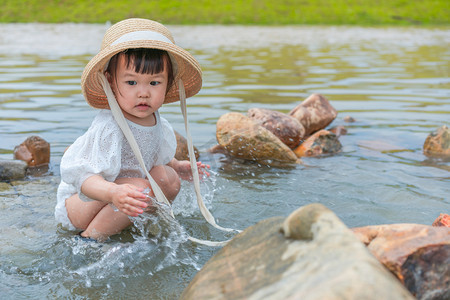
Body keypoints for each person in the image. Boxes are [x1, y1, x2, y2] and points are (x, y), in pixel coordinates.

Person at [55, 18, 208, 241]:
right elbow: (85, 180)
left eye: (154, 83)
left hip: (126, 196)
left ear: (169, 83)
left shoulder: (159, 124)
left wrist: (177, 165)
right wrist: (112, 192)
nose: (143, 93)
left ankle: (131, 227)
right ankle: (90, 238)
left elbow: (154, 156)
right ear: (110, 81)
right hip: (82, 205)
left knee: (169, 178)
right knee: (141, 188)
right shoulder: (110, 127)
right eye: (131, 83)